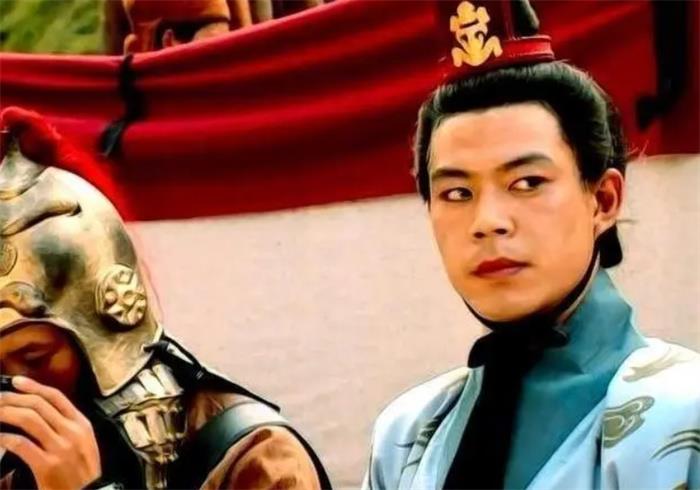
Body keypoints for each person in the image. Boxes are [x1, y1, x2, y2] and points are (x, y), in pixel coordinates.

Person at [363, 1, 700, 489]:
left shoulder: (684, 415)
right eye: (456, 193)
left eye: (527, 183)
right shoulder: (407, 433)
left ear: (603, 199)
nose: (488, 222)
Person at [0, 107, 331, 490]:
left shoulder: (258, 457)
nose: (15, 385)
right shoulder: (16, 470)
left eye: (35, 358)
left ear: (100, 333)